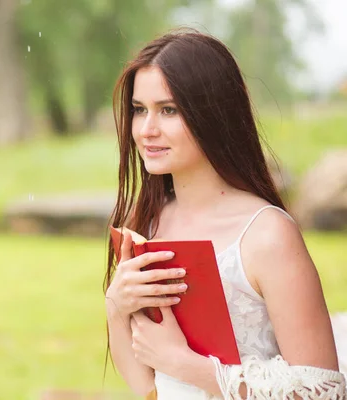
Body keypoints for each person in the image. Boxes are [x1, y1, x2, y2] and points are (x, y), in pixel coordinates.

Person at [103, 29, 346, 399]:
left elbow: (323, 391)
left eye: (168, 110)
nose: (146, 130)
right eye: (139, 110)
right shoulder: (148, 219)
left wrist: (186, 365)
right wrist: (116, 307)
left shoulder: (267, 235)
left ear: (212, 114)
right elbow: (146, 385)